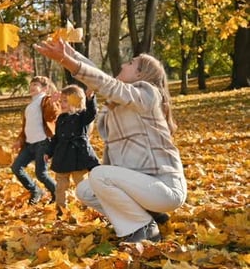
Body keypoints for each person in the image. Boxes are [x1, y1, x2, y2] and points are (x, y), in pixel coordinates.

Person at [34, 39, 186, 243]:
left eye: (131, 63)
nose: (124, 65)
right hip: (144, 190)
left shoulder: (148, 95)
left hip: (165, 190)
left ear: (141, 75)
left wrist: (67, 60)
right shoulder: (120, 104)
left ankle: (142, 228)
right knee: (85, 190)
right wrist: (72, 55)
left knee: (99, 174)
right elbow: (104, 80)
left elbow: (108, 84)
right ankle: (150, 216)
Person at [44, 84, 100, 219]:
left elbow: (92, 113)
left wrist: (90, 98)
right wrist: (49, 152)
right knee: (60, 186)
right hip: (62, 156)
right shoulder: (61, 119)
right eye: (61, 100)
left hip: (78, 156)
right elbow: (56, 138)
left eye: (65, 100)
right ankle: (60, 209)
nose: (61, 104)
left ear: (76, 101)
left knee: (82, 185)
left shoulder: (82, 117)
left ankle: (89, 208)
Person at [11, 76, 60, 205]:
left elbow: (52, 115)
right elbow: (26, 127)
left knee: (41, 174)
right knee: (16, 167)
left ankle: (58, 194)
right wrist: (19, 140)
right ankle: (35, 190)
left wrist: (53, 103)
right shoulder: (30, 106)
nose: (32, 87)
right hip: (29, 144)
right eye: (31, 84)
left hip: (43, 143)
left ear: (45, 88)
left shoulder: (46, 101)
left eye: (36, 84)